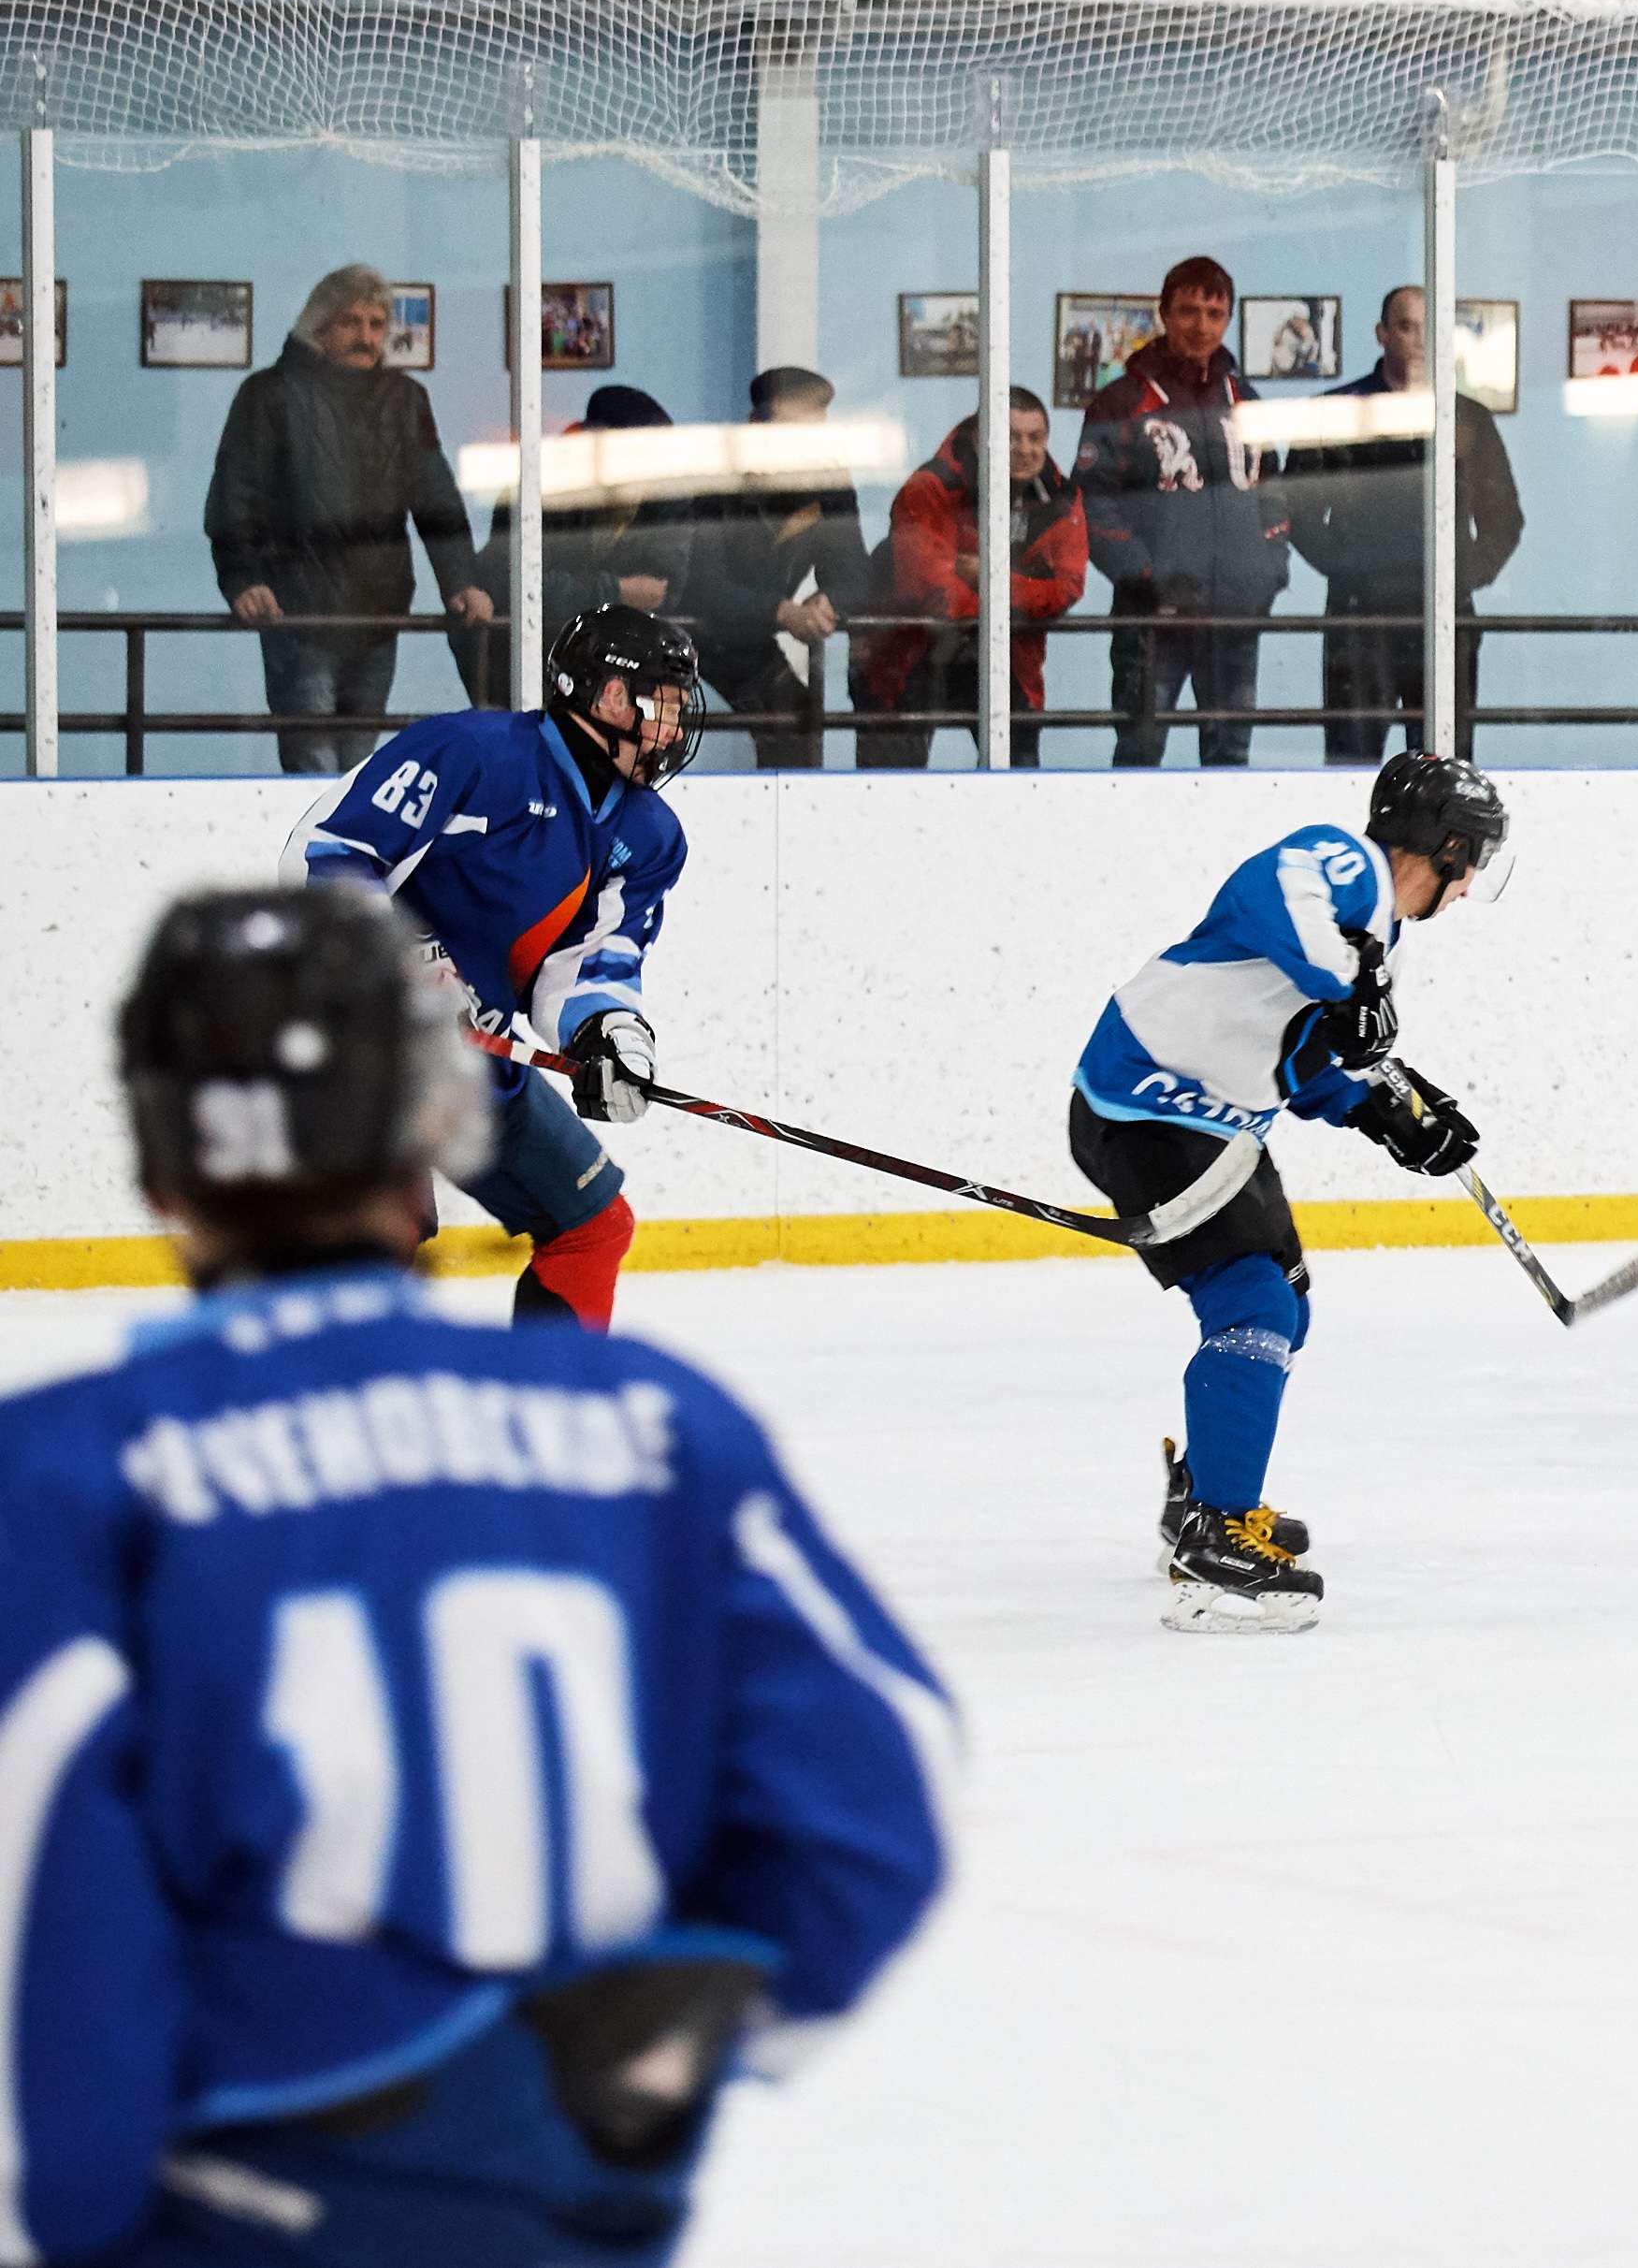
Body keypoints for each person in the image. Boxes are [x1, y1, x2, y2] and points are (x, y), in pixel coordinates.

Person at [0, 882, 949, 2266]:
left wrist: (88, 2219)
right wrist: (616, 2083)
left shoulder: (70, 1472)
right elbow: (879, 1803)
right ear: (437, 1137)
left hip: (232, 2212)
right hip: (572, 2208)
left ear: (160, 1170)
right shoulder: (655, 1428)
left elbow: (44, 1898)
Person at [1067, 752, 1507, 1630]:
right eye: (1472, 870)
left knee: (1286, 1307)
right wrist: (1356, 984)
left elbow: (1299, 1052)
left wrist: (1382, 1112)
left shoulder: (1373, 933)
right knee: (1251, 1308)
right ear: (1448, 849)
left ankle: (1204, 1496)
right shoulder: (1341, 862)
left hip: (1213, 1118)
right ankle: (1219, 1545)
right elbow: (1287, 893)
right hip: (1146, 1105)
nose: (1465, 894)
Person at [284, 605, 702, 1331]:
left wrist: (609, 1036)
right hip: (359, 1040)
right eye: (659, 706)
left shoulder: (650, 835)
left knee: (592, 1225)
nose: (672, 730)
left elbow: (587, 966)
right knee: (382, 1231)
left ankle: (550, 1419)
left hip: (469, 1056)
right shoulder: (470, 752)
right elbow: (328, 852)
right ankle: (335, 1422)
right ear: (605, 696)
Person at [204, 264, 496, 775]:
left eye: (376, 323)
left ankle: (347, 857)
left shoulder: (405, 401)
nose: (366, 336)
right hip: (297, 614)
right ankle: (312, 857)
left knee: (360, 764)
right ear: (318, 327)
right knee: (312, 762)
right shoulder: (267, 396)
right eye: (351, 322)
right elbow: (235, 499)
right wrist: (244, 580)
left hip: (378, 615)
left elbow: (438, 501)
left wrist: (462, 582)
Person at [1282, 284, 1526, 762]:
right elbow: (1296, 508)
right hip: (1360, 618)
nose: (1417, 339)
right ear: (1382, 334)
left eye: (1428, 328)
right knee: (1350, 762)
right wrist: (1349, 568)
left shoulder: (1467, 419)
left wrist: (1458, 578)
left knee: (1446, 770)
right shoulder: (1337, 412)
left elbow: (1504, 520)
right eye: (1406, 326)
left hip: (1443, 617)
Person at [1076, 256, 1290, 768]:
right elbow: (1092, 504)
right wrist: (1148, 578)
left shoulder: (1247, 401)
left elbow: (1274, 493)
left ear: (1228, 319)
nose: (1202, 325)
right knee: (1139, 754)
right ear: (1164, 314)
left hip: (1235, 616)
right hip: (1153, 620)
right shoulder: (1120, 402)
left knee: (1231, 758)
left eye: (1215, 313)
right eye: (1189, 310)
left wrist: (1268, 571)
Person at [855, 391, 1088, 769]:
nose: (1025, 449)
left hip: (1004, 656)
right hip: (905, 654)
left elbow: (1067, 589)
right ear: (981, 438)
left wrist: (988, 578)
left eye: (1035, 437)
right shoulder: (930, 487)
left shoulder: (1060, 497)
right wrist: (1021, 592)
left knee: (1020, 780)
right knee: (890, 790)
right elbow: (934, 592)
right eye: (1012, 436)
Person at [673, 367, 871, 771]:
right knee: (646, 727)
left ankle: (793, 831)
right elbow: (696, 583)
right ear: (753, 427)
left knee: (795, 721)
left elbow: (856, 575)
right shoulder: (709, 479)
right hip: (672, 631)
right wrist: (784, 612)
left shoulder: (827, 485)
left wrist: (828, 603)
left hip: (744, 638)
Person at [451, 385, 692, 709]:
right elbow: (517, 584)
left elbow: (661, 592)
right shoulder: (534, 489)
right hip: (521, 659)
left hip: (604, 667)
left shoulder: (664, 500)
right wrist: (614, 590)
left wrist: (575, 592)